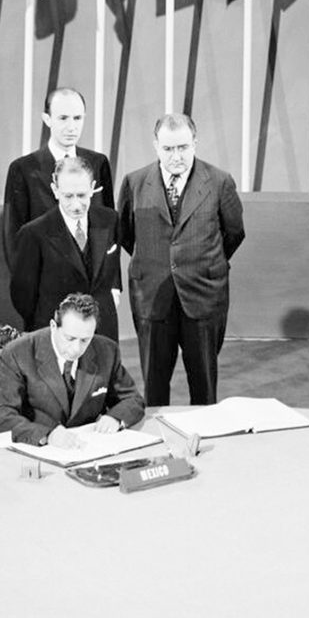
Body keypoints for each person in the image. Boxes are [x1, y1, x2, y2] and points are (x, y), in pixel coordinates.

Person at [117, 113, 245, 408]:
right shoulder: (134, 183)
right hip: (152, 298)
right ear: (155, 146)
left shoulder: (219, 182)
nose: (177, 156)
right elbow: (125, 234)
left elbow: (234, 232)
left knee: (204, 388)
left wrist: (202, 263)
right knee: (154, 388)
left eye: (183, 148)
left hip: (202, 298)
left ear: (195, 143)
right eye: (168, 149)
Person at [0, 293, 144, 450]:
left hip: (87, 449)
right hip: (37, 449)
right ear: (54, 326)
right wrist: (48, 434)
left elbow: (133, 399)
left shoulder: (106, 350)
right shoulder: (18, 352)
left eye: (85, 340)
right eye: (70, 338)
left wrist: (115, 418)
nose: (76, 349)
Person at [10, 155, 123, 342]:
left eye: (82, 195)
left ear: (92, 187)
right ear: (55, 190)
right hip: (58, 333)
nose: (76, 205)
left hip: (103, 331)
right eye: (68, 196)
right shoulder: (34, 233)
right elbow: (23, 297)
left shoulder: (110, 220)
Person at [1, 86, 114, 267]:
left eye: (77, 118)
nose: (71, 127)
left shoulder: (98, 163)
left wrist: (113, 287)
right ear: (47, 119)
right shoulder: (23, 169)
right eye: (63, 118)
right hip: (45, 280)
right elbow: (13, 237)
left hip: (92, 279)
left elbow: (110, 230)